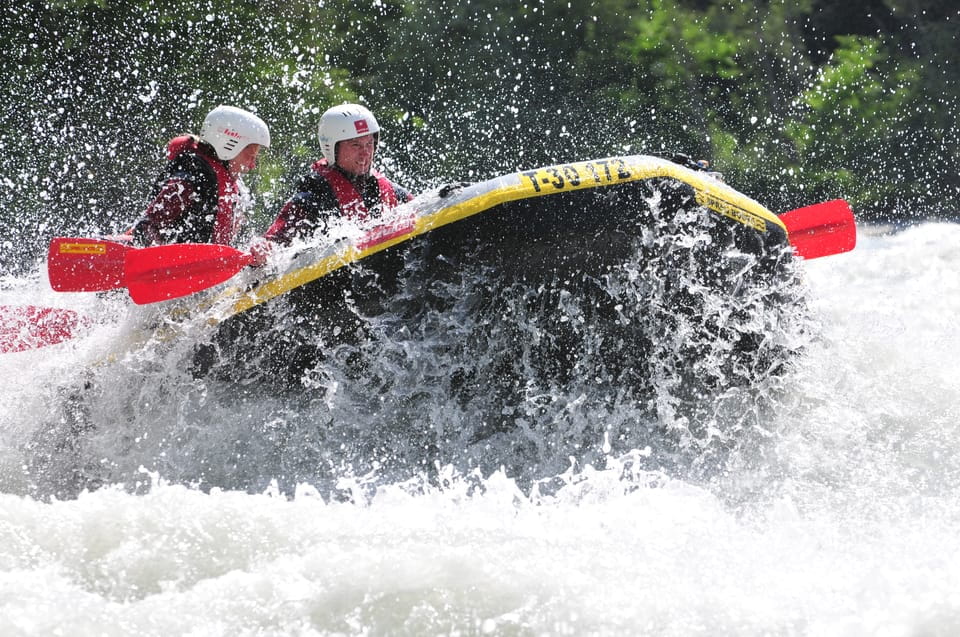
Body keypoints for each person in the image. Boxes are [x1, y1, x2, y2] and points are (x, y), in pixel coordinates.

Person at [251, 103, 412, 263]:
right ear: (332, 149)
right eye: (355, 145)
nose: (365, 153)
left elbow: (420, 209)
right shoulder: (311, 201)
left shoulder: (390, 191)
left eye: (369, 144)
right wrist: (263, 249)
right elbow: (273, 242)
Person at [128, 105, 270, 246]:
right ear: (229, 145)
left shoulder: (232, 189)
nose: (252, 165)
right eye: (250, 156)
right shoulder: (191, 179)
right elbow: (145, 229)